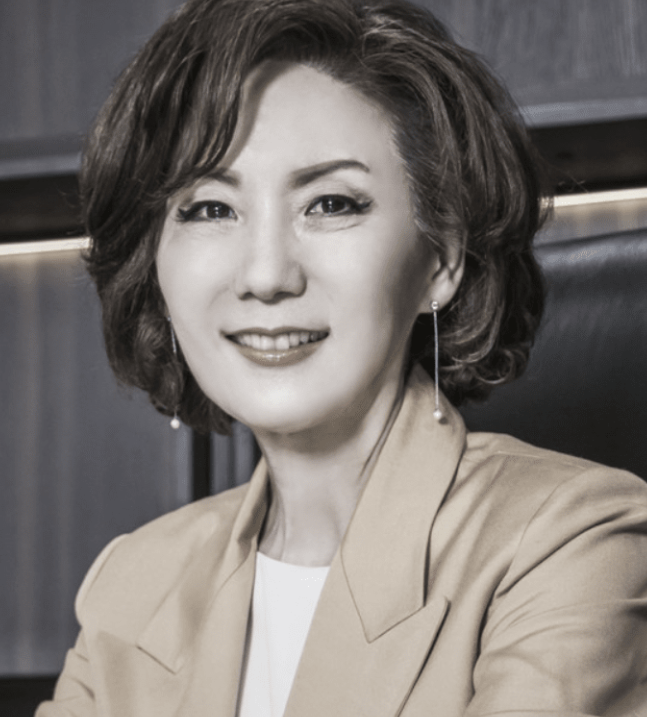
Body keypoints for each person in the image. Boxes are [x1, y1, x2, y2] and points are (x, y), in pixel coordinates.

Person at [37, 0, 647, 715]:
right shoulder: (130, 582)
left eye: (330, 204)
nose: (265, 275)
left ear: (440, 262)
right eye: (209, 209)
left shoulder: (572, 540)